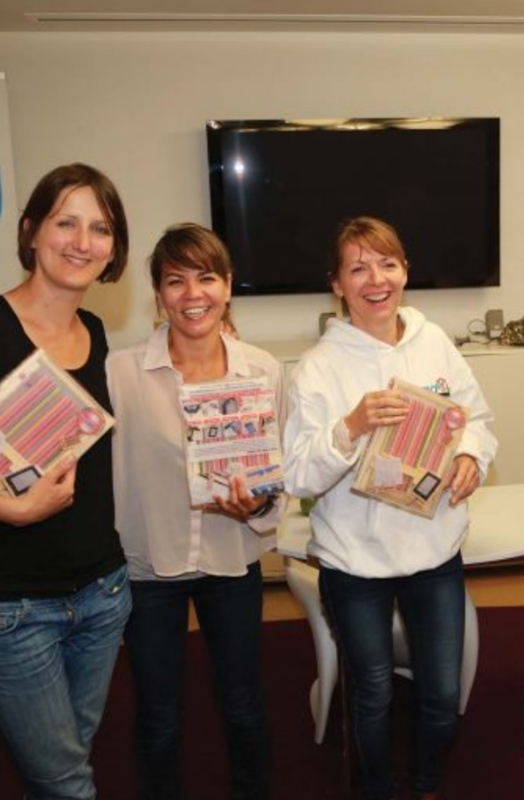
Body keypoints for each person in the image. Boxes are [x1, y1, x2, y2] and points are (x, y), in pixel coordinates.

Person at [282, 216, 497, 800]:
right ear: (337, 284)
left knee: (441, 690)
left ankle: (426, 785)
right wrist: (351, 427)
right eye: (358, 268)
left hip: (434, 549)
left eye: (387, 264)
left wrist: (471, 456)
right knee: (372, 691)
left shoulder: (435, 342)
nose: (376, 280)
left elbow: (476, 419)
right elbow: (297, 474)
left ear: (405, 271)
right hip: (353, 560)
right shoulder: (318, 367)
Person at [107, 223, 283, 800]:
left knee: (243, 702)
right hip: (149, 565)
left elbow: (276, 473)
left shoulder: (263, 371)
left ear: (227, 286)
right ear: (158, 294)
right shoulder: (121, 372)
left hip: (231, 560)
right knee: (159, 713)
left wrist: (258, 504)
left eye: (206, 278)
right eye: (175, 281)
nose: (192, 295)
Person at [0, 163, 132, 799]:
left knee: (65, 761)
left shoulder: (95, 332)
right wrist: (13, 511)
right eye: (66, 223)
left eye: (100, 228)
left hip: (103, 592)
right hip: (16, 605)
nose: (83, 242)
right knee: (67, 783)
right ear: (31, 231)